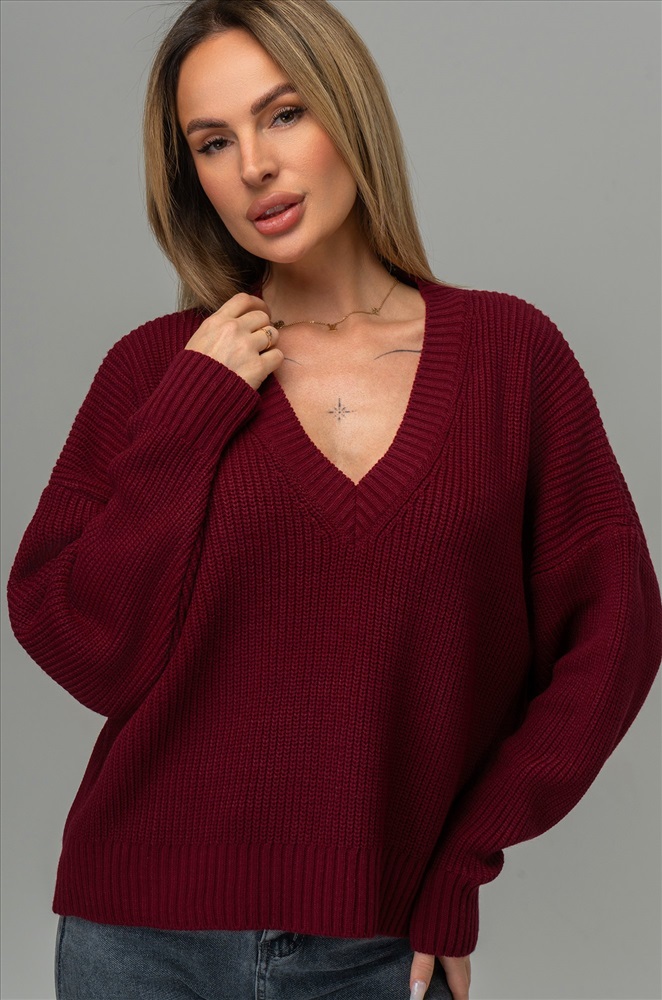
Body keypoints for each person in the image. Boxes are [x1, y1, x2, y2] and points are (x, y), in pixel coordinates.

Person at [6, 1, 661, 998]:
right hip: (139, 941)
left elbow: (615, 632)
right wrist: (188, 418)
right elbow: (87, 648)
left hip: (379, 949)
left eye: (283, 114)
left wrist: (463, 859)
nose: (253, 166)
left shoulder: (511, 357)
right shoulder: (157, 371)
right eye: (212, 142)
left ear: (347, 111)